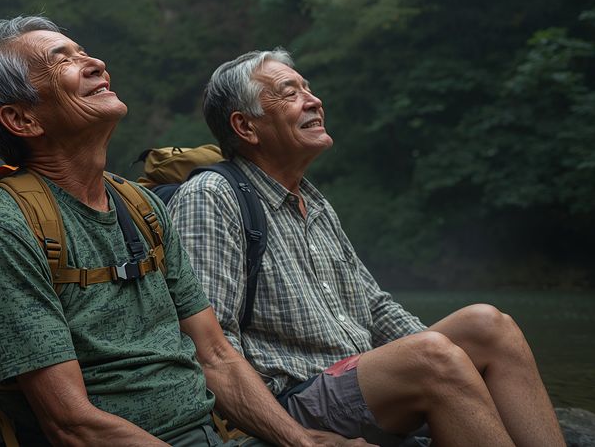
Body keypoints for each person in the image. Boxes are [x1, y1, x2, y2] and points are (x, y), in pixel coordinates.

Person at [0, 16, 369, 446]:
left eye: (84, 52)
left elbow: (216, 358)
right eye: (62, 62)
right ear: (22, 120)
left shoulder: (141, 206)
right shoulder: (5, 227)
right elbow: (72, 424)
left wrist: (305, 443)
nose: (96, 63)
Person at [168, 49, 566, 447]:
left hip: (356, 380)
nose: (314, 100)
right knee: (431, 357)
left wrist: (455, 366)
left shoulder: (314, 202)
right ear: (246, 126)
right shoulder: (210, 197)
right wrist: (299, 440)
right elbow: (213, 351)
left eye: (308, 88)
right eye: (290, 93)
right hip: (288, 401)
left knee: (489, 325)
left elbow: (374, 306)